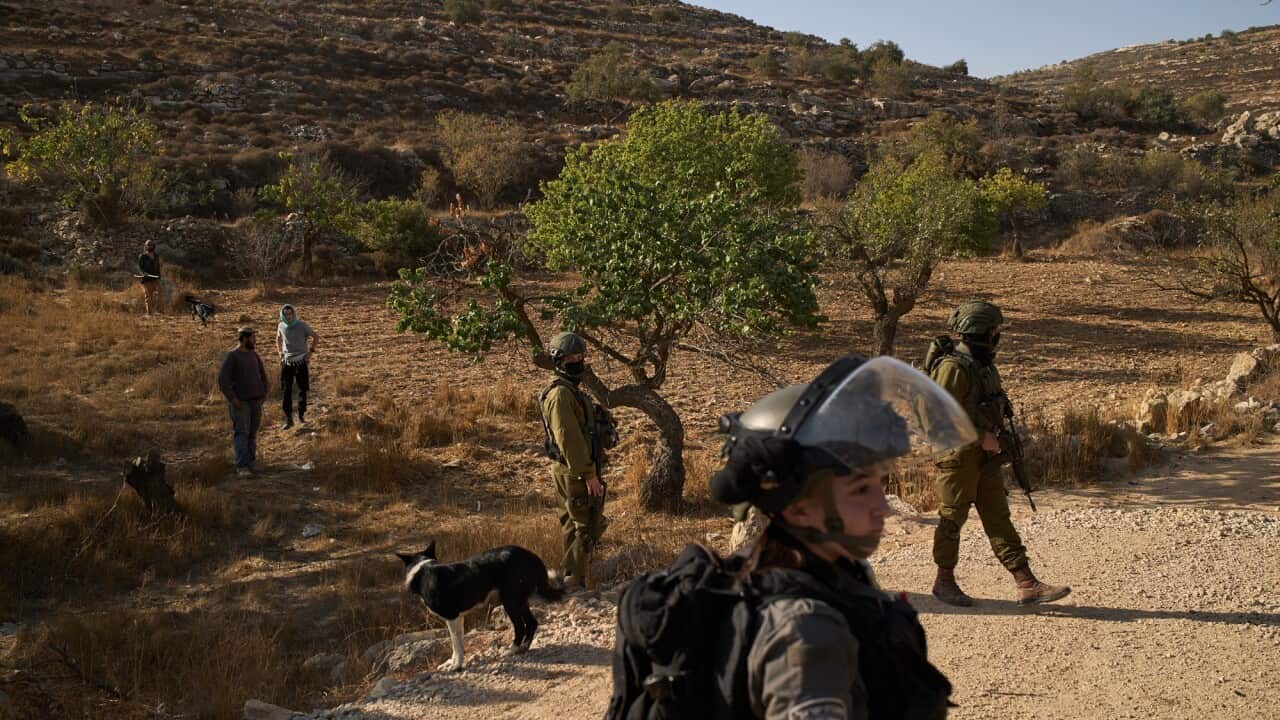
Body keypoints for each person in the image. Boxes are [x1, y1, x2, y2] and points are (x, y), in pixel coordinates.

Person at [606, 355, 965, 720]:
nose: (882, 507)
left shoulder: (815, 577)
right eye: (860, 491)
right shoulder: (805, 629)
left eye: (878, 485)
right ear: (798, 510)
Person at [927, 300, 1070, 607]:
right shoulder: (953, 368)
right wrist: (980, 437)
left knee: (998, 518)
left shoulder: (983, 364)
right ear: (982, 331)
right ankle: (944, 582)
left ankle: (1027, 583)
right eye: (994, 330)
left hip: (984, 458)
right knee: (952, 519)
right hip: (958, 457)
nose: (997, 336)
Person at [539, 332, 607, 591]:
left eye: (580, 356)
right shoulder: (560, 395)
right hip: (574, 470)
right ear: (559, 360)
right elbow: (570, 440)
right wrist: (589, 474)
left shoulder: (566, 391)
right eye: (572, 357)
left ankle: (570, 577)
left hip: (571, 468)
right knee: (585, 524)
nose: (578, 361)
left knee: (572, 522)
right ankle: (573, 582)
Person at [218, 327, 268, 476]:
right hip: (241, 402)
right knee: (242, 433)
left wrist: (264, 392)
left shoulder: (254, 355)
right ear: (245, 339)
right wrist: (233, 399)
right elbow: (223, 380)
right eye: (252, 338)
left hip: (255, 401)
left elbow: (262, 374)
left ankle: (251, 463)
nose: (255, 340)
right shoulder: (232, 356)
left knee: (252, 433)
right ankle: (241, 466)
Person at [275, 304, 319, 430]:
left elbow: (315, 337)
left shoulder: (302, 325)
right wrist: (280, 353)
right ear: (283, 315)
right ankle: (289, 419)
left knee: (302, 390)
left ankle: (301, 416)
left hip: (301, 362)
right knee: (286, 391)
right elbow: (278, 339)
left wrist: (310, 353)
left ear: (293, 314)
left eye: (290, 314)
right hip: (287, 363)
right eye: (286, 314)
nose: (288, 316)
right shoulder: (281, 325)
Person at [137, 240, 162, 315]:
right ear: (145, 246)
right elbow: (140, 268)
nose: (149, 246)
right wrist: (144, 273)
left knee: (159, 293)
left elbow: (158, 267)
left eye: (151, 245)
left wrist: (159, 275)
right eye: (148, 245)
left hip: (155, 278)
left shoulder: (156, 256)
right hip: (146, 279)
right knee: (148, 296)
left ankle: (158, 311)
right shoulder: (142, 256)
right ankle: (149, 313)